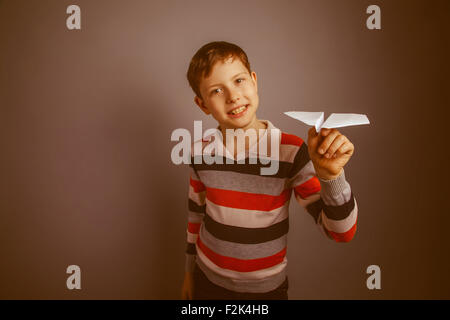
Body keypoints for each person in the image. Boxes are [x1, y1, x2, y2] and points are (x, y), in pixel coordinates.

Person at [181, 41, 358, 300]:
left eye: (239, 81)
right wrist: (188, 274)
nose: (233, 96)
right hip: (207, 281)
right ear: (203, 104)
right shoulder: (199, 152)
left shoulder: (290, 151)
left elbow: (342, 233)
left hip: (265, 292)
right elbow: (195, 216)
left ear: (254, 81)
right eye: (217, 90)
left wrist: (331, 177)